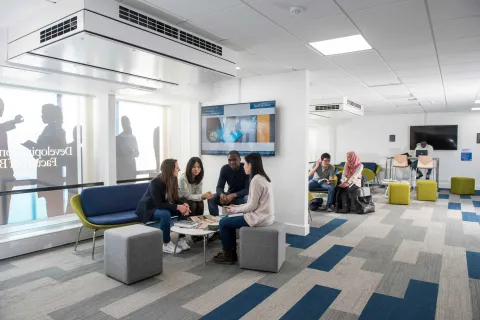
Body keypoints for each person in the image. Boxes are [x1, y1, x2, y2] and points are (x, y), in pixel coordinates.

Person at [213, 152, 274, 265]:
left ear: (250, 165)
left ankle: (228, 255)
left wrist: (234, 209)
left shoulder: (255, 180)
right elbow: (253, 204)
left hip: (258, 218)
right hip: (265, 216)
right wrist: (235, 207)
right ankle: (230, 251)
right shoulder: (262, 177)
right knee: (228, 220)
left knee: (223, 222)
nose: (243, 166)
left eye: (245, 164)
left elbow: (252, 206)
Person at [135, 159, 191, 254]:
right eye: (177, 167)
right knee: (165, 214)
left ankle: (181, 239)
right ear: (170, 169)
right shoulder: (155, 183)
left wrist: (183, 204)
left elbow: (175, 198)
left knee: (183, 210)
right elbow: (159, 204)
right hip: (149, 209)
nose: (179, 169)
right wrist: (178, 207)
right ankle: (166, 243)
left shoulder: (173, 179)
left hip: (160, 206)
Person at [23, 104, 66, 218]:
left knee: (54, 209)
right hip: (49, 175)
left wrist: (33, 147)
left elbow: (55, 152)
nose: (41, 116)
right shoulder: (51, 130)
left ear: (50, 114)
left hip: (51, 175)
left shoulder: (54, 131)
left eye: (43, 113)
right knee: (52, 207)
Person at [0, 98, 24, 225]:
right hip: (3, 176)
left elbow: (3, 126)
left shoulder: (1, 128)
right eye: (1, 108)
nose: (2, 111)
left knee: (4, 213)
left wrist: (14, 121)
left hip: (6, 176)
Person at [208, 150, 250, 216]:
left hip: (242, 196)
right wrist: (221, 195)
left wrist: (232, 195)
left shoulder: (245, 168)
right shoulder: (225, 169)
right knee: (211, 198)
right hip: (229, 196)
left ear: (239, 159)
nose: (232, 162)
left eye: (234, 160)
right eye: (229, 160)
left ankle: (247, 219)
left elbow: (247, 190)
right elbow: (219, 187)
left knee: (247, 198)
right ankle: (215, 219)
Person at [116, 116, 139, 181]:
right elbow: (117, 156)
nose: (127, 125)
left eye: (128, 123)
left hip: (131, 167)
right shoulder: (118, 138)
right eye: (125, 123)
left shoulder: (133, 138)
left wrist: (133, 152)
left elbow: (137, 153)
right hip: (122, 168)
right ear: (122, 125)